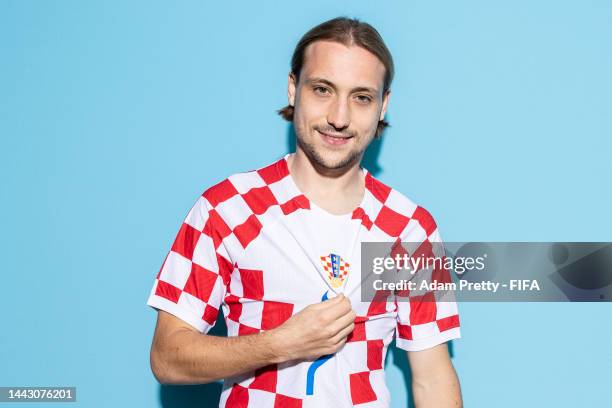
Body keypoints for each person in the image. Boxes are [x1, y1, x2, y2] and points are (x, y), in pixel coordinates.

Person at [147, 16, 462, 407]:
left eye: (361, 97)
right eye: (323, 89)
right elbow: (167, 357)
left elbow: (432, 378)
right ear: (294, 88)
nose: (340, 117)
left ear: (383, 105)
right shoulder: (227, 208)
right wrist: (280, 343)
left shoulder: (408, 229)